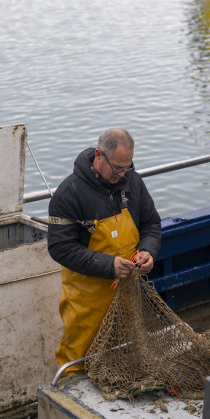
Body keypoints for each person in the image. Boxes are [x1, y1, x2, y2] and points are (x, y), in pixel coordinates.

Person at [47, 128, 161, 376]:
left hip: (128, 296)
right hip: (87, 302)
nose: (122, 175)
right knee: (78, 361)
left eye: (127, 168)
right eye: (117, 168)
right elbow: (60, 248)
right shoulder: (68, 194)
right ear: (99, 155)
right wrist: (109, 266)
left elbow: (151, 224)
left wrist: (147, 251)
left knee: (125, 353)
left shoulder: (133, 182)